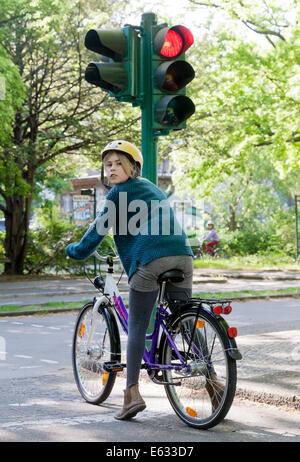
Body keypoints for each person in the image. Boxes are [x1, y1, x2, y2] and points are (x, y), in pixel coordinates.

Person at [66, 140, 194, 420]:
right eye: (107, 164)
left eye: (118, 163)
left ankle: (131, 394)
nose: (112, 169)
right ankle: (211, 374)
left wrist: (73, 251)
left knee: (137, 327)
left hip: (150, 260)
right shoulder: (153, 188)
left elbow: (95, 234)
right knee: (184, 316)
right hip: (182, 255)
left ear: (132, 167)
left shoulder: (117, 195)